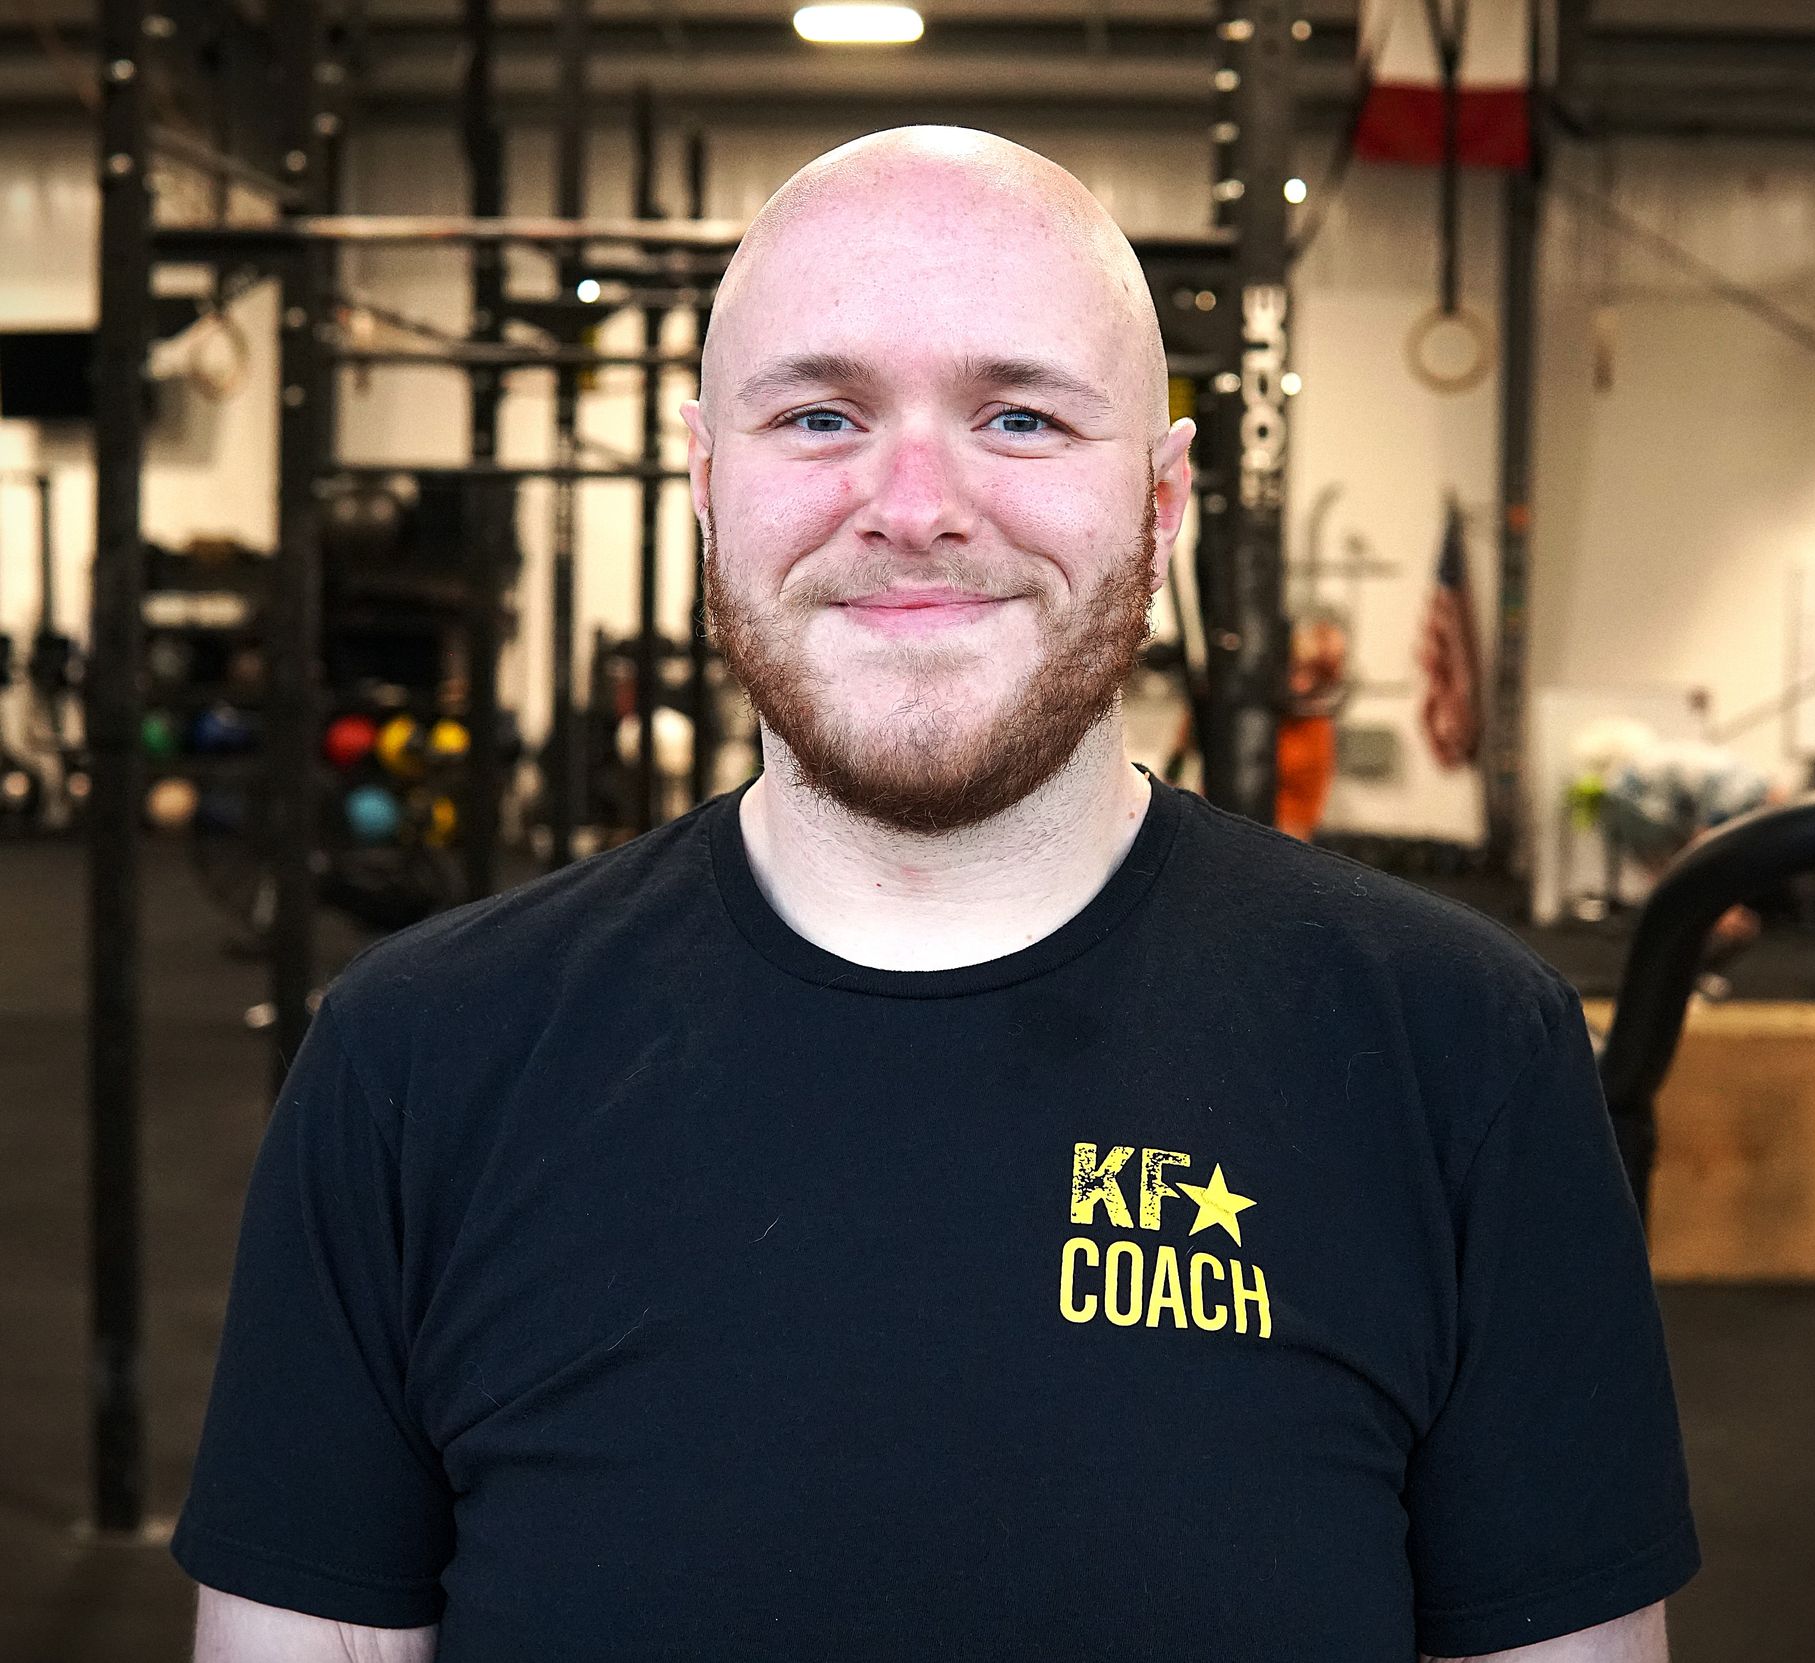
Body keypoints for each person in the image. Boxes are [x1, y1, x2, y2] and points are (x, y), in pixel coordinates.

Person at [176, 128, 1698, 1662]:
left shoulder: (1463, 1059)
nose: (914, 504)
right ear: (707, 482)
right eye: (823, 414)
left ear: (1164, 505)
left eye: (1021, 416)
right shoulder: (414, 1060)